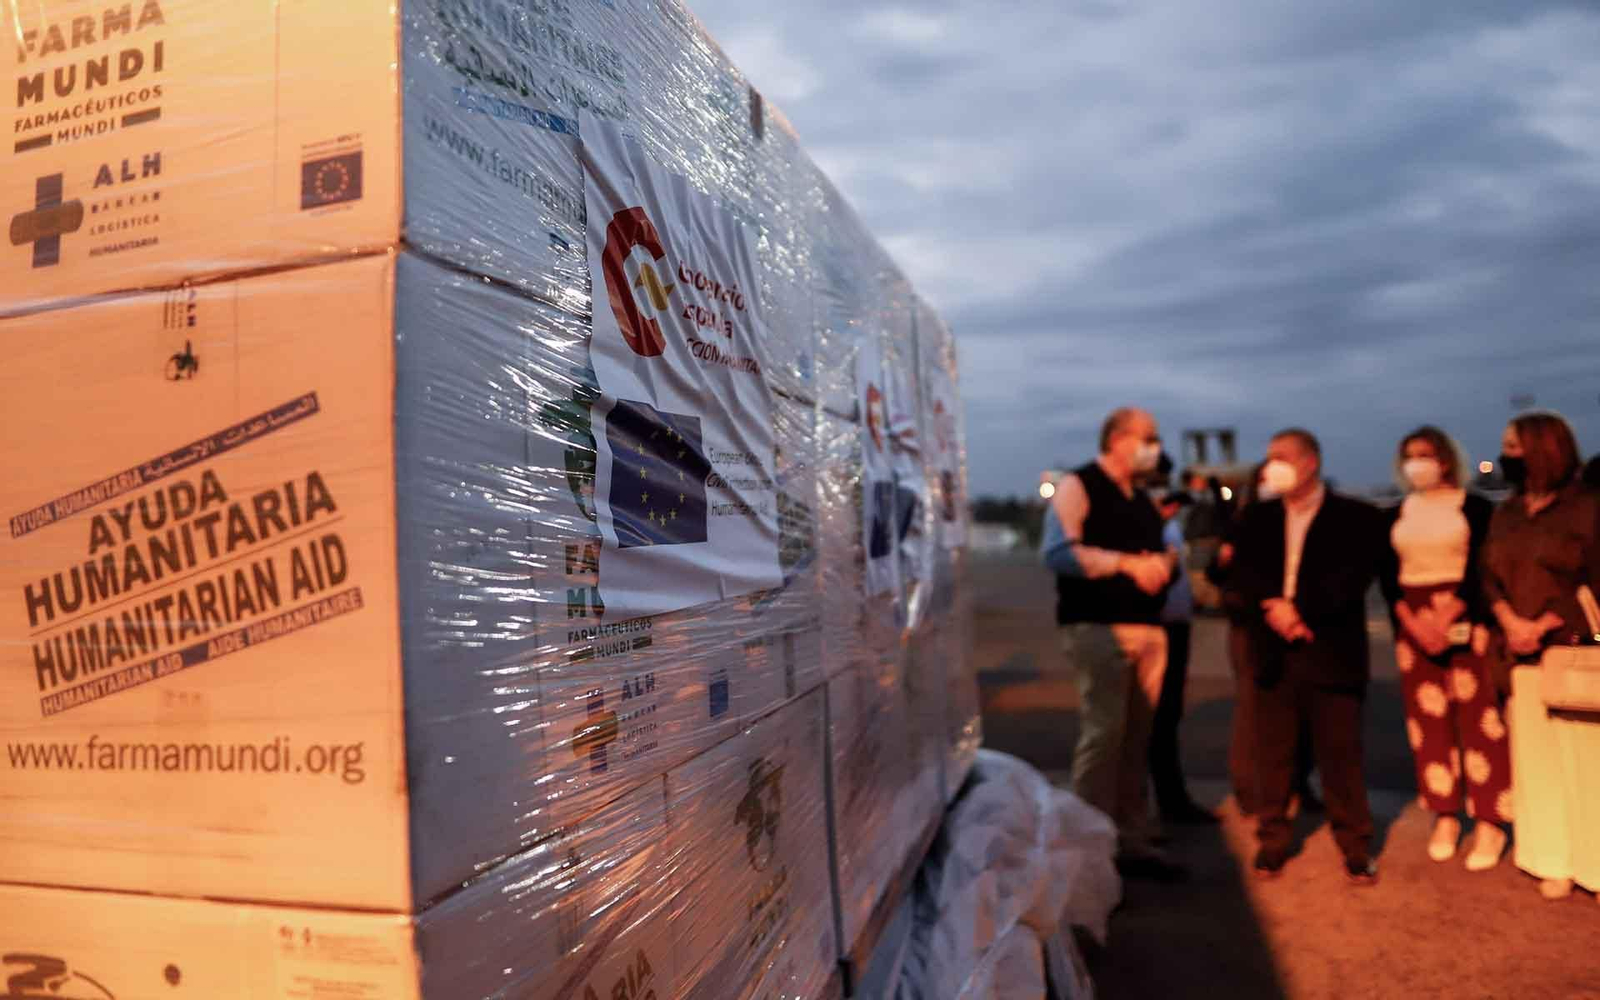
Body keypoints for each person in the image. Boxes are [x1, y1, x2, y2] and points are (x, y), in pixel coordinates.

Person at [1230, 428, 1386, 885]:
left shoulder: (1355, 517)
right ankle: (1273, 840)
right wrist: (1275, 609)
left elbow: (1354, 577)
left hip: (1330, 650)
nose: (1270, 465)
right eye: (1268, 457)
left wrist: (1301, 612)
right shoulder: (1256, 517)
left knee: (1341, 756)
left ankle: (1356, 845)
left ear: (1310, 463)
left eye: (1280, 456)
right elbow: (1244, 573)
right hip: (1273, 651)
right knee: (1273, 755)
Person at [1042, 407, 1184, 880]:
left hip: (1148, 628)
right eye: (1149, 437)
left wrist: (1164, 564)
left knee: (1136, 738)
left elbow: (1159, 550)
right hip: (1099, 627)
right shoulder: (1079, 486)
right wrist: (1126, 565)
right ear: (1119, 439)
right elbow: (1059, 553)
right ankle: (1085, 846)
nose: (1155, 447)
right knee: (1105, 734)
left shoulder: (1140, 497)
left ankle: (1129, 838)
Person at [1377, 426, 1509, 870]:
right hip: (1413, 621)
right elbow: (1388, 573)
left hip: (1465, 615)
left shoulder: (1474, 506)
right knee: (1427, 723)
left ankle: (1490, 819)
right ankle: (1445, 814)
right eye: (1409, 455)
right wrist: (1412, 620)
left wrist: (1453, 610)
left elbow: (1484, 564)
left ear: (1446, 459)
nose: (1416, 463)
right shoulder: (1398, 511)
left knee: (1481, 719)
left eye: (1425, 454)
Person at [1482, 411, 1600, 902]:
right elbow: (1487, 573)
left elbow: (1593, 576)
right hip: (1519, 655)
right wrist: (1509, 621)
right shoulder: (1507, 512)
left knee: (1587, 764)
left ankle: (1593, 863)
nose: (1504, 453)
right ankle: (1551, 858)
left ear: (1541, 450)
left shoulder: (1588, 508)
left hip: (1571, 652)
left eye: (1512, 445)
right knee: (1537, 763)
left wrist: (1548, 622)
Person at [1208, 464, 1319, 818]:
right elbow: (1219, 573)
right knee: (1253, 710)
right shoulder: (1244, 522)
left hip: (1297, 624)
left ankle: (1298, 784)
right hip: (1252, 628)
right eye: (1266, 479)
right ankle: (1251, 791)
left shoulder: (1304, 520)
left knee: (1303, 712)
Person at [1148, 489, 1218, 825]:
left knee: (1167, 717)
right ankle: (1160, 804)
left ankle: (1172, 800)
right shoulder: (1144, 527)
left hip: (1176, 628)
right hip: (1156, 630)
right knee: (1154, 722)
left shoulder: (1170, 526)